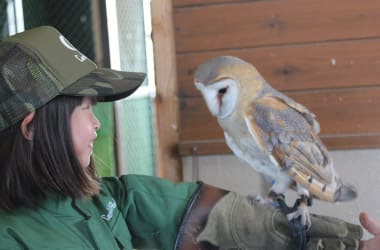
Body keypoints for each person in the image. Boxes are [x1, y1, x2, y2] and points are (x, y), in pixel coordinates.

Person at [0, 25, 376, 250]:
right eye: (84, 108)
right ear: (31, 127)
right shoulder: (14, 238)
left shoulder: (102, 199)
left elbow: (222, 220)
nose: (97, 124)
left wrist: (353, 245)